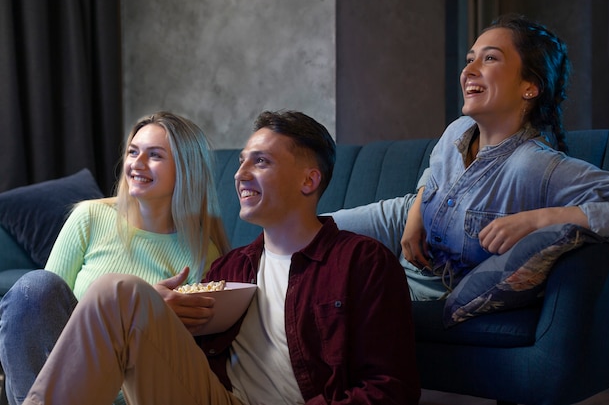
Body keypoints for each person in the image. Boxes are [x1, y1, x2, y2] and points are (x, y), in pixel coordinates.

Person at [20, 110, 420, 405]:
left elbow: (390, 388)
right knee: (119, 289)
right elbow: (177, 359)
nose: (241, 172)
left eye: (260, 161)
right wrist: (156, 309)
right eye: (242, 160)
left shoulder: (361, 262)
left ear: (308, 179)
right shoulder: (230, 268)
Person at [330, 13, 609, 300]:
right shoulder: (458, 129)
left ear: (530, 87)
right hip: (402, 220)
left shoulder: (535, 166)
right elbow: (435, 171)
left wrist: (539, 220)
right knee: (299, 236)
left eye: (490, 58)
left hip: (429, 287)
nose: (468, 71)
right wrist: (417, 211)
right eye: (470, 59)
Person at [0, 111, 230, 405]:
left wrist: (152, 317)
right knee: (34, 287)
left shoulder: (202, 253)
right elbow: (39, 316)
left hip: (132, 394)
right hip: (59, 388)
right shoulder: (89, 217)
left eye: (155, 155)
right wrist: (135, 308)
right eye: (133, 152)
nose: (137, 163)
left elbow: (190, 360)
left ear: (186, 169)